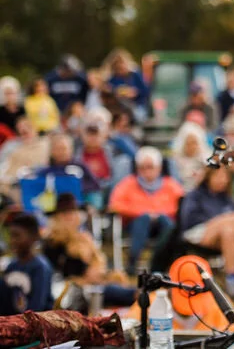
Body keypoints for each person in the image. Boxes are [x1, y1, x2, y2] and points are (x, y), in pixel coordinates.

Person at [41, 193, 136, 308]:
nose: (70, 217)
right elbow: (61, 272)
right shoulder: (52, 242)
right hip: (74, 288)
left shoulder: (84, 238)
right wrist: (87, 274)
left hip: (95, 282)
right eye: (65, 213)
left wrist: (98, 272)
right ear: (57, 217)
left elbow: (98, 262)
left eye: (72, 212)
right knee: (123, 293)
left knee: (121, 287)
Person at [108, 146, 184, 274]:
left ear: (159, 168)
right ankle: (133, 261)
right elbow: (114, 205)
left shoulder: (171, 184)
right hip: (135, 225)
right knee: (144, 219)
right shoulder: (127, 183)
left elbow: (181, 206)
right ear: (137, 168)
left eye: (150, 167)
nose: (147, 171)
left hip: (163, 223)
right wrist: (143, 212)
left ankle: (166, 262)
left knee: (167, 223)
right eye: (143, 167)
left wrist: (159, 213)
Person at [178, 167, 234, 298]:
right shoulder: (195, 194)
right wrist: (217, 220)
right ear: (209, 177)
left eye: (225, 177)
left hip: (220, 234)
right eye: (218, 176)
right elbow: (188, 219)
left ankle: (232, 278)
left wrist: (222, 222)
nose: (222, 180)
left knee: (228, 232)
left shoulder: (226, 197)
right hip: (196, 232)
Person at [0, 212, 54, 313]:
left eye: (17, 236)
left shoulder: (40, 267)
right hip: (12, 325)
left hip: (34, 326)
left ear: (33, 237)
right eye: (11, 236)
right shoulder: (12, 266)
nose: (12, 241)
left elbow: (37, 308)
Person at [104, 49, 150, 122]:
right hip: (120, 108)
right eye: (118, 66)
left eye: (122, 64)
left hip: (137, 105)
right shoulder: (112, 79)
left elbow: (145, 91)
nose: (121, 68)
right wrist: (117, 93)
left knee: (140, 116)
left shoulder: (135, 75)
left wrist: (135, 93)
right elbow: (109, 92)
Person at [171, 122, 213, 192]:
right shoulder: (175, 160)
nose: (191, 147)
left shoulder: (207, 159)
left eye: (194, 143)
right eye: (188, 143)